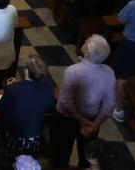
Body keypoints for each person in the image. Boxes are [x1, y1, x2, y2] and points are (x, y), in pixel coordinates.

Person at [50, 36, 115, 169]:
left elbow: (66, 103)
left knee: (61, 153)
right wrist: (93, 125)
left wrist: (82, 121)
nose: (85, 41)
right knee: (87, 157)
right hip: (92, 119)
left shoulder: (73, 71)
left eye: (87, 42)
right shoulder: (109, 72)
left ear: (87, 53)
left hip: (67, 119)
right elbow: (109, 105)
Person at [0, 52, 55, 169]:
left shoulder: (13, 90)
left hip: (13, 137)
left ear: (26, 71)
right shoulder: (49, 91)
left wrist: (9, 89)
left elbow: (0, 108)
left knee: (6, 163)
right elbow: (48, 108)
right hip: (33, 138)